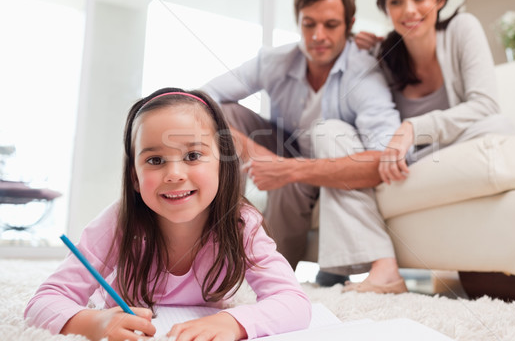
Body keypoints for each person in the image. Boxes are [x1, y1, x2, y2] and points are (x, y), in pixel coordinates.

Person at [24, 88, 311, 341]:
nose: (174, 174)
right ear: (135, 178)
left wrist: (234, 323)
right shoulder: (118, 221)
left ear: (223, 166)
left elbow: (294, 302)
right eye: (155, 160)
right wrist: (93, 322)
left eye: (193, 156)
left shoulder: (241, 223)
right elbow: (44, 301)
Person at [201, 0, 407, 294]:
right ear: (298, 21)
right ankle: (214, 249)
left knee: (328, 136)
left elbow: (385, 156)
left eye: (331, 25)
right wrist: (257, 153)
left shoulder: (364, 73)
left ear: (349, 24)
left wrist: (288, 169)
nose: (318, 36)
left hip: (331, 162)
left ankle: (271, 274)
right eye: (308, 24)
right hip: (285, 147)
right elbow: (196, 98)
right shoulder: (275, 60)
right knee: (219, 113)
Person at [354, 0, 513, 182]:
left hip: (460, 148)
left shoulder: (462, 29)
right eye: (396, 2)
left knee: (498, 126)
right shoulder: (382, 56)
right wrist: (353, 43)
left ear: (439, 0)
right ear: (386, 10)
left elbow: (486, 105)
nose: (409, 10)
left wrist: (411, 128)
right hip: (414, 163)